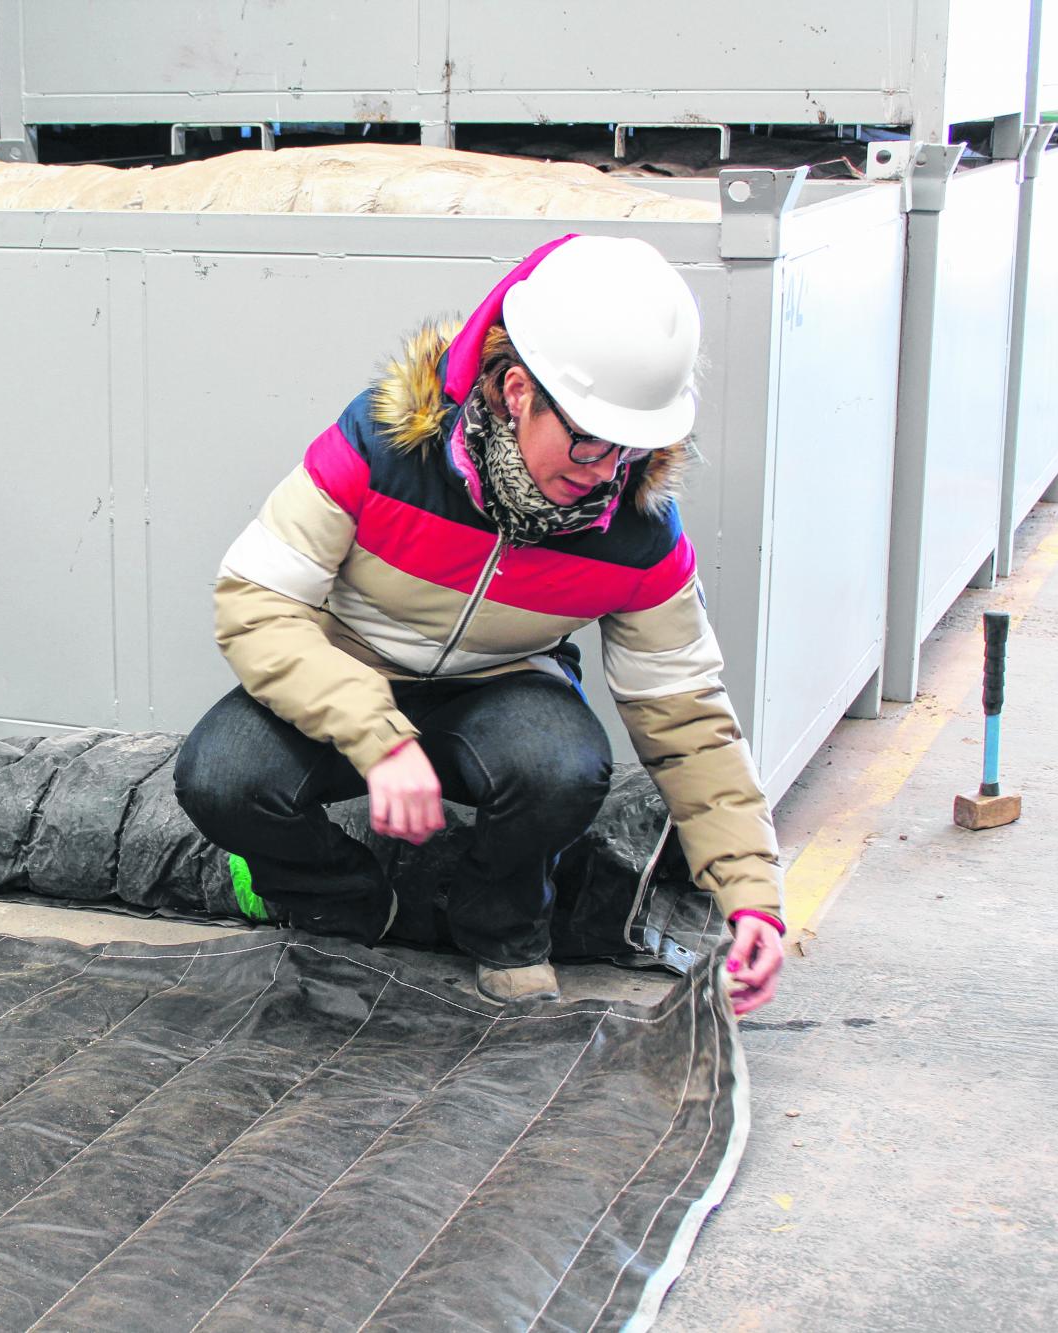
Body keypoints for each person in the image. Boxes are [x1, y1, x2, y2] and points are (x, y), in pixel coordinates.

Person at [174, 235, 785, 1013]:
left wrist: (751, 895)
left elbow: (686, 715)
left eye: (631, 449)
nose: (605, 472)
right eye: (590, 440)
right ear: (518, 390)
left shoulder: (637, 532)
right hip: (350, 673)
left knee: (563, 766)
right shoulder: (383, 445)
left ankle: (503, 924)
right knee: (221, 776)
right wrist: (377, 735)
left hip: (503, 690)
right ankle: (349, 905)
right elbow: (255, 601)